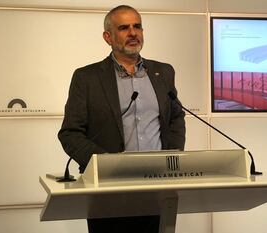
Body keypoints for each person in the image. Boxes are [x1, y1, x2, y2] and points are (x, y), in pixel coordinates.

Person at [58, 5, 185, 233]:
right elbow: (70, 133)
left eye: (137, 26)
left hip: (159, 187)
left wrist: (171, 158)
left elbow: (176, 118)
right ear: (108, 37)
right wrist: (105, 165)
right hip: (108, 191)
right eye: (124, 28)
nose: (133, 33)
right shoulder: (87, 78)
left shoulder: (164, 72)